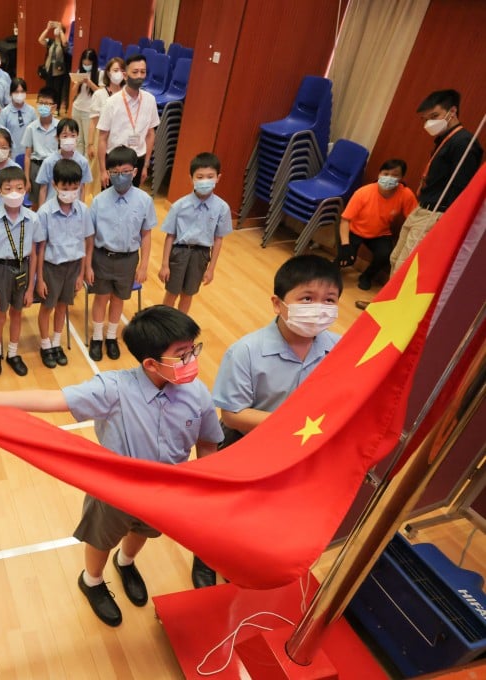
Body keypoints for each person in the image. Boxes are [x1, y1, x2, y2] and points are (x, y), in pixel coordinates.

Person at [0, 305, 223, 626]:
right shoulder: (113, 389)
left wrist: (205, 486)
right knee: (101, 538)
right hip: (113, 492)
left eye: (193, 350)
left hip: (164, 492)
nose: (192, 361)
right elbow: (53, 399)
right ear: (150, 363)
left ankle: (126, 562)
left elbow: (207, 443)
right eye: (182, 354)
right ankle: (92, 581)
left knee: (144, 531)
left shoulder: (197, 393)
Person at [193, 254, 343, 588]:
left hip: (300, 450)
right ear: (278, 303)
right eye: (307, 298)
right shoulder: (246, 352)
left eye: (329, 300)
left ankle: (247, 556)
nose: (319, 308)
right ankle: (206, 558)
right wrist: (294, 424)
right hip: (246, 445)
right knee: (224, 510)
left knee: (269, 508)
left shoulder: (340, 348)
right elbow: (232, 414)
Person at [386, 91, 482, 288]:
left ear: (452, 111)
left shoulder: (463, 142)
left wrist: (446, 219)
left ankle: (391, 314)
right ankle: (381, 305)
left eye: (434, 116)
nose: (429, 123)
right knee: (396, 258)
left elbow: (462, 187)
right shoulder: (445, 139)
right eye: (425, 119)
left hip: (436, 212)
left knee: (405, 266)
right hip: (423, 207)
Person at [86, 145, 157, 361]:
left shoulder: (144, 201)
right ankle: (97, 338)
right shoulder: (99, 201)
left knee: (118, 299)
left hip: (128, 259)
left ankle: (111, 337)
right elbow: (89, 236)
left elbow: (146, 235)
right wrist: (87, 265)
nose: (120, 177)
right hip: (102, 257)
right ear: (107, 173)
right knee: (101, 298)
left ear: (134, 172)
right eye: (114, 172)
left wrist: (144, 265)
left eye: (125, 172)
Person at [0, 166, 43, 376]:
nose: (14, 193)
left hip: (23, 269)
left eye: (19, 188)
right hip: (0, 269)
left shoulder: (33, 219)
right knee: (0, 316)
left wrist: (31, 287)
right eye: (8, 189)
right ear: (0, 191)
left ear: (26, 189)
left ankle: (13, 353)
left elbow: (34, 254)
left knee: (17, 314)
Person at [36, 158, 93, 368]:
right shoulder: (44, 213)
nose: (70, 191)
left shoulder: (84, 210)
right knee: (47, 307)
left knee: (62, 307)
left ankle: (56, 342)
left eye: (75, 187)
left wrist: (81, 274)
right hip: (51, 268)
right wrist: (40, 278)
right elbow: (40, 248)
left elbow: (86, 242)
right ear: (55, 185)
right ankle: (45, 345)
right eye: (65, 187)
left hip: (73, 267)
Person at [158, 152, 233, 313]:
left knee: (188, 294)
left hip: (201, 255)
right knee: (172, 292)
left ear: (218, 178)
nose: (205, 181)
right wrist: (165, 264)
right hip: (179, 252)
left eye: (210, 176)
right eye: (200, 177)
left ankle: (179, 329)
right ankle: (162, 325)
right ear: (191, 178)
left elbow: (218, 239)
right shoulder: (179, 206)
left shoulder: (222, 208)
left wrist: (211, 268)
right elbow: (170, 236)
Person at [336, 159, 417, 292]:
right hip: (354, 230)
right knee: (347, 258)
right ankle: (333, 270)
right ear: (379, 174)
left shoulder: (406, 194)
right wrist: (345, 245)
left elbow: (414, 220)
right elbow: (345, 220)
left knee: (385, 255)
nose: (389, 178)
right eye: (386, 174)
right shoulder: (363, 193)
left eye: (395, 175)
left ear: (401, 178)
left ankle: (366, 276)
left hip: (380, 234)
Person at [96, 54, 158, 190]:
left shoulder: (150, 100)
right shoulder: (111, 102)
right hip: (115, 161)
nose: (139, 76)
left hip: (138, 160)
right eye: (135, 72)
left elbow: (150, 134)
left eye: (143, 72)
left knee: (132, 203)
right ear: (125, 75)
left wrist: (146, 165)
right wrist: (102, 170)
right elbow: (102, 138)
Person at [36, 117, 92, 204]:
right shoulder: (49, 162)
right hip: (52, 206)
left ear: (77, 136)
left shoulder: (83, 162)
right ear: (57, 137)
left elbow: (82, 188)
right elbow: (43, 189)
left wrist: (81, 209)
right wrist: (41, 211)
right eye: (65, 136)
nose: (69, 139)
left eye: (73, 136)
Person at [23, 89, 59, 210]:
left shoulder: (60, 126)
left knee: (54, 202)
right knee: (36, 205)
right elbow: (27, 156)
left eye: (47, 103)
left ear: (54, 107)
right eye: (41, 103)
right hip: (36, 167)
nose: (43, 106)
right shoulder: (31, 128)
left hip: (54, 168)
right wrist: (27, 179)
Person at [71, 49, 100, 159]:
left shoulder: (99, 74)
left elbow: (100, 93)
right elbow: (73, 93)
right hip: (77, 108)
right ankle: (78, 162)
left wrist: (89, 83)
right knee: (78, 140)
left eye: (89, 64)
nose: (86, 65)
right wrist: (78, 82)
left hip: (89, 112)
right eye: (84, 63)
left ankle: (86, 165)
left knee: (88, 141)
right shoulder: (80, 71)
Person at [0, 78, 36, 161]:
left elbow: (35, 133)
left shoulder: (32, 111)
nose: (19, 94)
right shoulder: (4, 113)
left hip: (28, 155)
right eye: (16, 91)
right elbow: (1, 135)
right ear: (11, 93)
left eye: (22, 91)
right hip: (11, 156)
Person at [38, 21, 69, 111]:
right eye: (55, 29)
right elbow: (40, 40)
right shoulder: (51, 42)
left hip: (59, 71)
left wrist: (61, 30)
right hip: (49, 69)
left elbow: (65, 42)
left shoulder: (62, 44)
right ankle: (48, 106)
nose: (56, 30)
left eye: (57, 29)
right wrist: (48, 28)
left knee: (57, 90)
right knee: (48, 89)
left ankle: (57, 109)